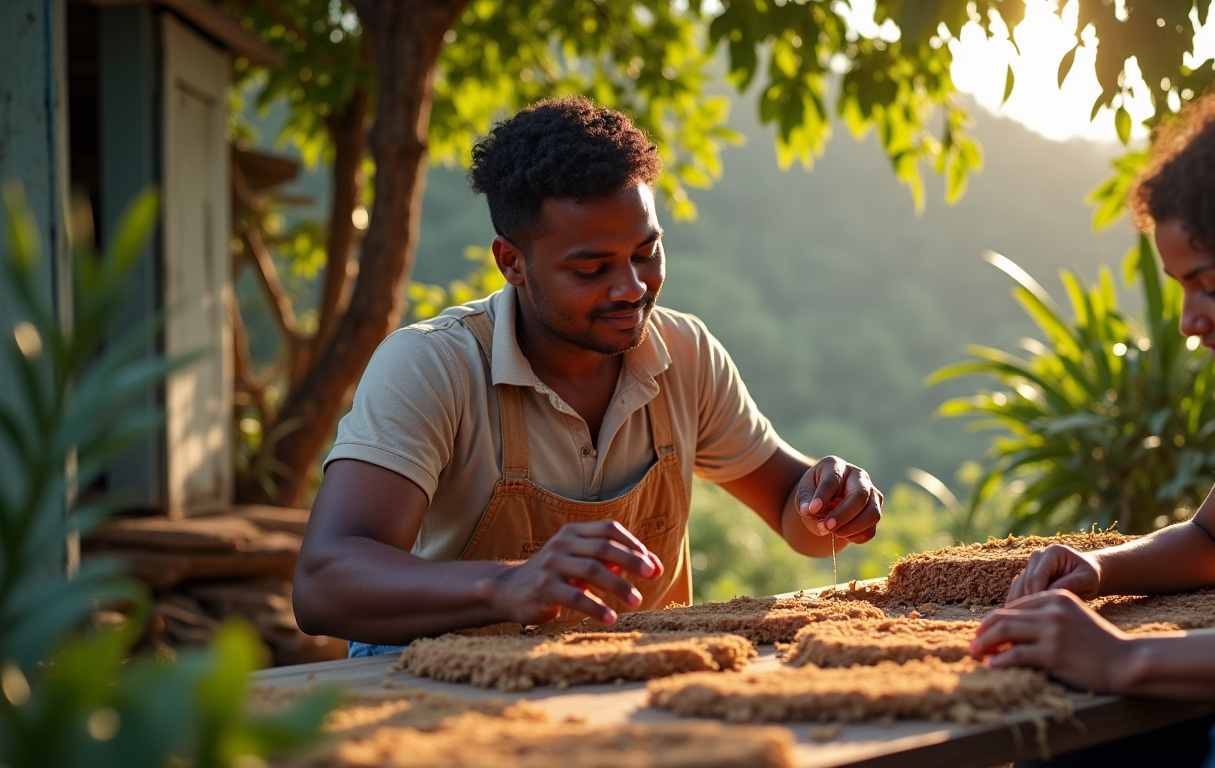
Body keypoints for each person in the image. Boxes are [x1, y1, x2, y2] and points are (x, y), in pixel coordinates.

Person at [292, 96, 884, 657]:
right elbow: (323, 585)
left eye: (646, 253)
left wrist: (828, 503)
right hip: (433, 687)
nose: (631, 288)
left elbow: (792, 511)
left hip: (626, 688)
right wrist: (506, 585)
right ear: (512, 262)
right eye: (592, 268)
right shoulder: (431, 367)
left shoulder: (686, 352)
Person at [971, 88, 1215, 767]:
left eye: (1212, 286)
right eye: (1181, 287)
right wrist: (1099, 567)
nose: (1189, 321)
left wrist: (1127, 658)